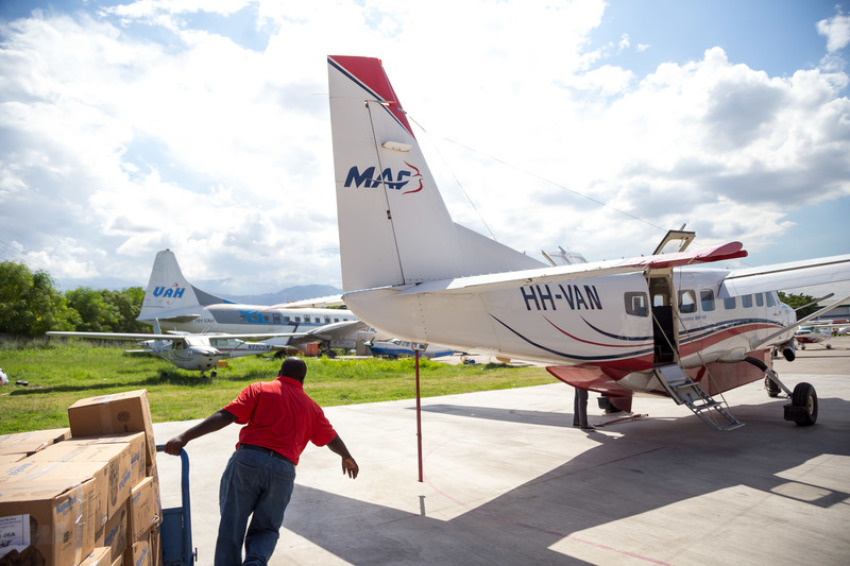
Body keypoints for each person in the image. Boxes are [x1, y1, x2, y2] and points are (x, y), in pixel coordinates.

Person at [164, 357, 359, 565]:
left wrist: (184, 437)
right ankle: (255, 563)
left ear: (279, 372)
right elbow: (331, 438)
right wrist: (346, 456)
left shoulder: (260, 389)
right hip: (283, 471)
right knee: (266, 528)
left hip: (249, 460)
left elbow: (226, 415)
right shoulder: (312, 407)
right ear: (303, 379)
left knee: (232, 522)